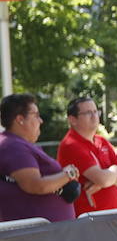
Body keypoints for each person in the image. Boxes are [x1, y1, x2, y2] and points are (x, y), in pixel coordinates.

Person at [0, 93, 79, 223]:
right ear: (20, 119)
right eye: (36, 115)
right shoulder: (14, 146)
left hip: (45, 234)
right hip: (38, 236)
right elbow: (35, 185)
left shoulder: (17, 144)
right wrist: (69, 173)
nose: (40, 120)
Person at [57, 97, 117, 216]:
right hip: (90, 220)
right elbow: (103, 179)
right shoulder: (71, 144)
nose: (94, 116)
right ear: (72, 119)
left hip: (112, 216)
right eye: (88, 113)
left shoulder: (101, 141)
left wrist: (105, 181)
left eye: (96, 111)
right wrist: (115, 169)